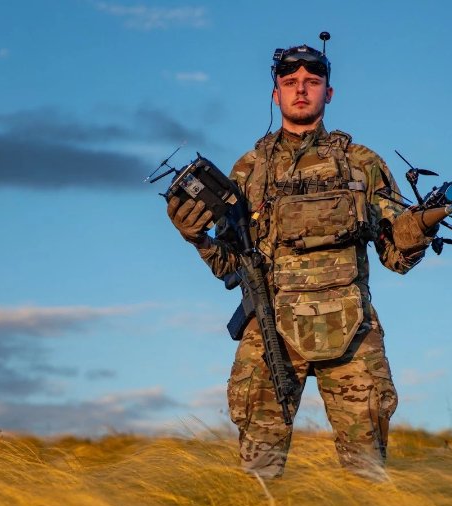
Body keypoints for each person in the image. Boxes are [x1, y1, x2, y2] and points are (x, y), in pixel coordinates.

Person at [167, 40, 434, 480]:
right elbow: (229, 265)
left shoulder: (362, 164)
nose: (301, 89)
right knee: (259, 476)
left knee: (367, 473)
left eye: (312, 81)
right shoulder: (248, 170)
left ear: (330, 92)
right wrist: (196, 237)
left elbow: (395, 257)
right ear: (276, 94)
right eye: (290, 82)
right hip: (269, 326)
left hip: (351, 327)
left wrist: (417, 229)